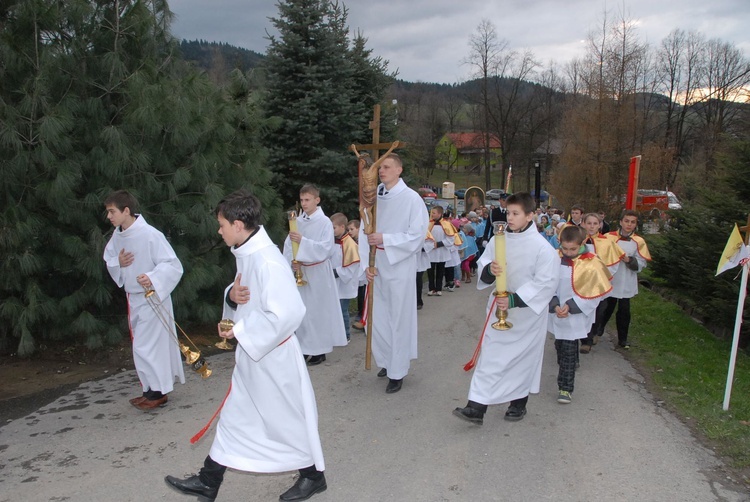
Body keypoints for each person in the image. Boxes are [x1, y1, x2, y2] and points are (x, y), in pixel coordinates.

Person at [165, 189, 327, 502]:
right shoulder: (249, 253)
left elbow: (290, 312)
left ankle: (313, 476)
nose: (219, 230)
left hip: (274, 359)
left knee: (285, 419)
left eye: (222, 224)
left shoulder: (267, 260)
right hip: (256, 358)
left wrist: (241, 330)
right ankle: (208, 480)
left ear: (239, 225)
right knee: (236, 416)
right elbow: (246, 293)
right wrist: (231, 297)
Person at [453, 192, 558, 425]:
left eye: (515, 214)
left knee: (522, 360)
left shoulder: (543, 249)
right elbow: (484, 266)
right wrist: (490, 270)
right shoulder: (498, 239)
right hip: (498, 310)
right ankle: (476, 407)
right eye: (508, 212)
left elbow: (546, 283)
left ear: (530, 215)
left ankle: (518, 404)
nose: (509, 218)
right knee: (490, 357)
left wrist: (514, 300)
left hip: (526, 314)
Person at [103, 190, 184, 411]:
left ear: (126, 210)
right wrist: (117, 262)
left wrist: (152, 277)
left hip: (152, 297)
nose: (109, 216)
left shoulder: (150, 234)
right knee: (143, 346)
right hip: (134, 298)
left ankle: (156, 392)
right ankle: (150, 390)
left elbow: (172, 264)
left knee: (147, 346)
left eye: (112, 211)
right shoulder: (117, 236)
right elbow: (109, 258)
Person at [360, 153, 429, 394]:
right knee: (378, 317)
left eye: (387, 167)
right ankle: (387, 360)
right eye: (380, 167)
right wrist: (365, 265)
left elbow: (417, 234)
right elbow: (363, 228)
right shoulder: (373, 196)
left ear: (399, 170)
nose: (381, 171)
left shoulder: (411, 199)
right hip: (376, 261)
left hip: (398, 264)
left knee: (397, 317)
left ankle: (397, 370)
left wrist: (386, 239)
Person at [283, 184, 347, 365]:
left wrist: (303, 242)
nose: (304, 204)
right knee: (304, 311)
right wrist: (292, 261)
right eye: (301, 200)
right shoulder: (298, 222)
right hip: (302, 272)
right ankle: (304, 348)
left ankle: (320, 350)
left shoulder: (324, 222)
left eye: (307, 200)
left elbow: (325, 248)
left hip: (318, 272)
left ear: (316, 200)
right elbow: (289, 245)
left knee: (318, 311)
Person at [548, 226, 612, 404]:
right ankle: (570, 362)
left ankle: (565, 388)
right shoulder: (553, 258)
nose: (568, 253)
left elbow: (597, 292)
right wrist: (553, 304)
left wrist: (571, 306)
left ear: (582, 244)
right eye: (565, 248)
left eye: (573, 249)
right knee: (560, 345)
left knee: (568, 347)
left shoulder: (592, 263)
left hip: (576, 313)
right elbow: (544, 282)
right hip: (555, 310)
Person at [598, 209, 652, 349]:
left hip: (626, 280)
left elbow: (641, 263)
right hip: (611, 279)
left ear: (636, 224)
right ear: (621, 222)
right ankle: (597, 332)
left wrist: (629, 260)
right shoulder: (608, 237)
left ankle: (623, 339)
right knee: (606, 307)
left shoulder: (638, 242)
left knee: (624, 310)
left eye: (632, 222)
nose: (629, 224)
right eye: (626, 221)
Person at [579, 213, 625, 354]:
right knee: (583, 310)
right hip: (581, 282)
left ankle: (592, 334)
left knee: (599, 310)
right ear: (583, 224)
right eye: (589, 223)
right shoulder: (578, 241)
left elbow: (613, 264)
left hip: (600, 283)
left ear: (600, 225)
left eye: (595, 223)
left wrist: (602, 276)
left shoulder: (607, 243)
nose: (592, 226)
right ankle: (584, 339)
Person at [331, 213, 360, 342]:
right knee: (334, 310)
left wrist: (335, 272)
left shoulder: (350, 244)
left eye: (333, 228)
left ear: (342, 227)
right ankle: (336, 334)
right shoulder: (333, 240)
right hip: (334, 282)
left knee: (343, 310)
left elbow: (352, 267)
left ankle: (346, 335)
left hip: (344, 284)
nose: (331, 231)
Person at [426, 206, 452, 297]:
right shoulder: (428, 224)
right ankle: (431, 288)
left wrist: (439, 244)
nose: (432, 215)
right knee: (430, 270)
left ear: (440, 214)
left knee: (440, 270)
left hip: (441, 251)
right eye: (431, 213)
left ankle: (438, 288)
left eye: (434, 213)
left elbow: (450, 239)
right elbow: (425, 237)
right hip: (431, 250)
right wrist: (430, 245)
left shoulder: (446, 224)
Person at [348, 219, 367, 331]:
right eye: (348, 229)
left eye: (352, 229)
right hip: (358, 272)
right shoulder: (352, 241)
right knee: (360, 293)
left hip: (364, 271)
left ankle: (363, 316)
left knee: (364, 294)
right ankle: (361, 315)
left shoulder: (361, 241)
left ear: (359, 229)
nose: (349, 232)